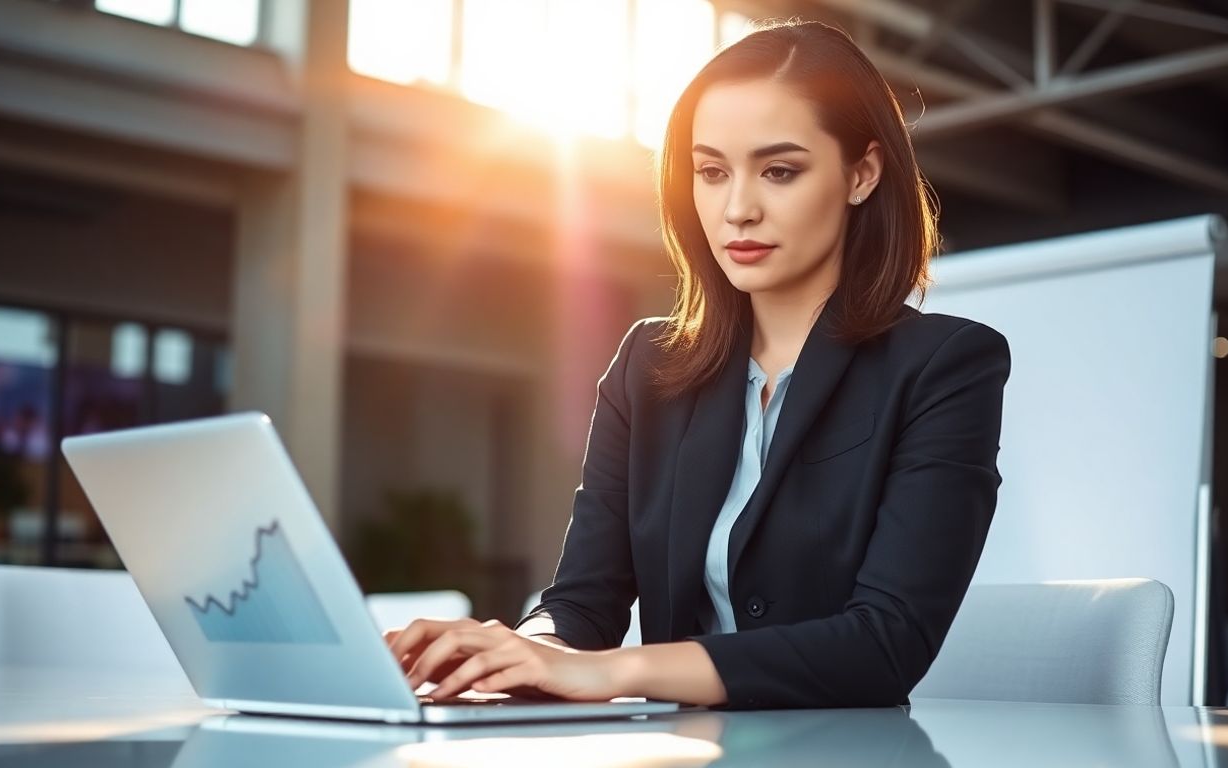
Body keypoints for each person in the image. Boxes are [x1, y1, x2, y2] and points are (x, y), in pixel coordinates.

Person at [387, 18, 1011, 710]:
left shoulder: (946, 367)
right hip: (681, 751)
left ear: (861, 174)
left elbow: (885, 645)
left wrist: (617, 673)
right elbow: (582, 602)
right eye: (711, 172)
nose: (737, 209)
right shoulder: (646, 367)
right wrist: (528, 654)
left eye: (779, 171)